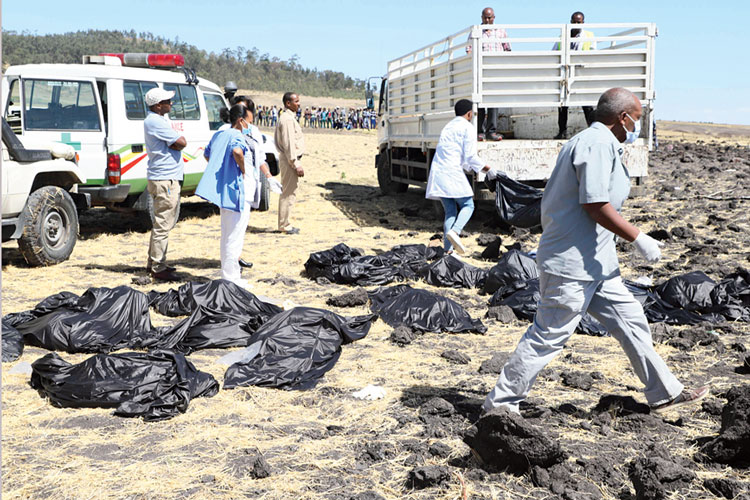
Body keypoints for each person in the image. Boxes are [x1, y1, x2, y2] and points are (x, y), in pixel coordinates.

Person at [481, 88, 709, 415]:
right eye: (637, 120)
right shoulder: (597, 145)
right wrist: (638, 237)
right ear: (623, 118)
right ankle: (500, 406)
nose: (638, 127)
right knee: (547, 336)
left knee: (631, 321)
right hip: (571, 265)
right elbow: (594, 204)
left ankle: (665, 391)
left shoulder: (595, 142)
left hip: (597, 265)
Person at [426, 99, 499, 255]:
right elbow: (471, 156)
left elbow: (461, 157)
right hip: (451, 171)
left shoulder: (448, 126)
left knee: (450, 211)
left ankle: (448, 252)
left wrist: (470, 167)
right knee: (468, 205)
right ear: (469, 113)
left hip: (438, 171)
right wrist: (488, 169)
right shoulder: (468, 127)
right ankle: (456, 231)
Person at [196, 104, 253, 287]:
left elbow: (207, 154)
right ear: (240, 120)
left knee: (227, 233)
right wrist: (242, 169)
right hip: (235, 189)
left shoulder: (219, 134)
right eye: (248, 120)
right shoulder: (237, 135)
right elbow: (237, 152)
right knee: (235, 235)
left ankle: (228, 274)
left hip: (223, 190)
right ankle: (232, 278)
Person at [143, 87, 187, 281]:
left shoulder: (157, 120)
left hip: (161, 177)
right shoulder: (155, 121)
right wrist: (176, 142)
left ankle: (154, 263)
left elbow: (176, 143)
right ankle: (158, 266)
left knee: (160, 222)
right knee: (163, 224)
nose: (171, 103)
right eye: (168, 101)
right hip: (165, 179)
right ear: (158, 105)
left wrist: (175, 143)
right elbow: (181, 141)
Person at [468, 7, 511, 142]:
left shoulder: (501, 32)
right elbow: (469, 50)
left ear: (494, 18)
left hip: (495, 71)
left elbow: (507, 50)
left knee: (493, 102)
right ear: (481, 17)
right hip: (480, 71)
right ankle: (480, 131)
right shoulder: (476, 32)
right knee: (479, 102)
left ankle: (491, 131)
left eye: (490, 17)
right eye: (485, 17)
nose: (487, 20)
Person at [554, 11, 596, 139]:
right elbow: (555, 51)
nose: (576, 24)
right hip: (566, 73)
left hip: (581, 74)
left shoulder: (589, 36)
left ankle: (594, 130)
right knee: (563, 104)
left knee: (587, 104)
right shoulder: (563, 36)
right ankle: (562, 131)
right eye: (574, 22)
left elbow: (593, 55)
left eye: (579, 22)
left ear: (583, 23)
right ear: (571, 22)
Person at [274, 92, 305, 234]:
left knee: (289, 192)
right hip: (289, 160)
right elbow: (289, 145)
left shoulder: (289, 118)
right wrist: (295, 163)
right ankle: (284, 225)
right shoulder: (287, 120)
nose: (299, 104)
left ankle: (285, 223)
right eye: (296, 101)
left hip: (289, 159)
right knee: (288, 193)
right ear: (288, 103)